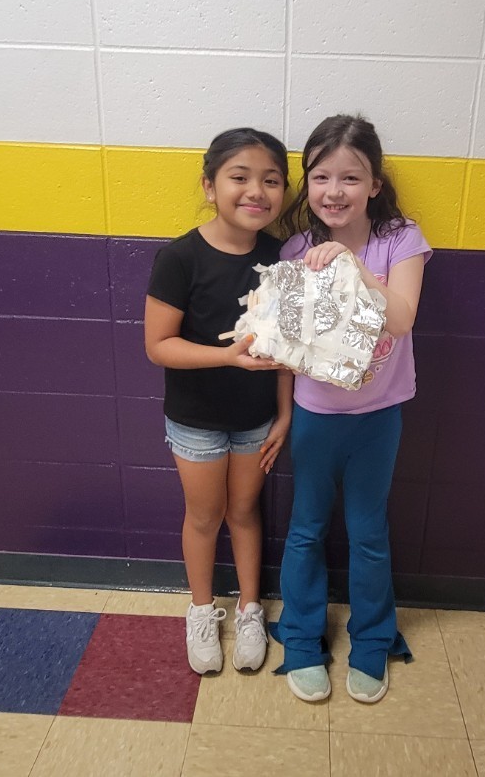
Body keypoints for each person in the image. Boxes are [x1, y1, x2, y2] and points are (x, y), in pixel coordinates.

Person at [272, 115, 432, 703]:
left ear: (374, 185)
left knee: (368, 533)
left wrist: (351, 262)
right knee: (306, 529)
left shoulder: (400, 240)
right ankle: (301, 641)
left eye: (350, 177)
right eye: (320, 177)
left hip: (378, 416)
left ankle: (372, 641)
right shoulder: (296, 249)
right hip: (315, 414)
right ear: (307, 184)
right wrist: (284, 414)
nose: (334, 191)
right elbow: (288, 347)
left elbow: (402, 318)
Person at [144, 128, 293, 675]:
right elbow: (158, 345)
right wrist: (227, 357)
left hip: (256, 418)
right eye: (240, 177)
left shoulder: (282, 257)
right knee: (205, 516)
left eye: (271, 180)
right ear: (210, 186)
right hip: (196, 420)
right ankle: (202, 610)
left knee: (245, 511)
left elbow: (287, 350)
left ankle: (251, 609)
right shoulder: (179, 258)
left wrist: (285, 413)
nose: (256, 191)